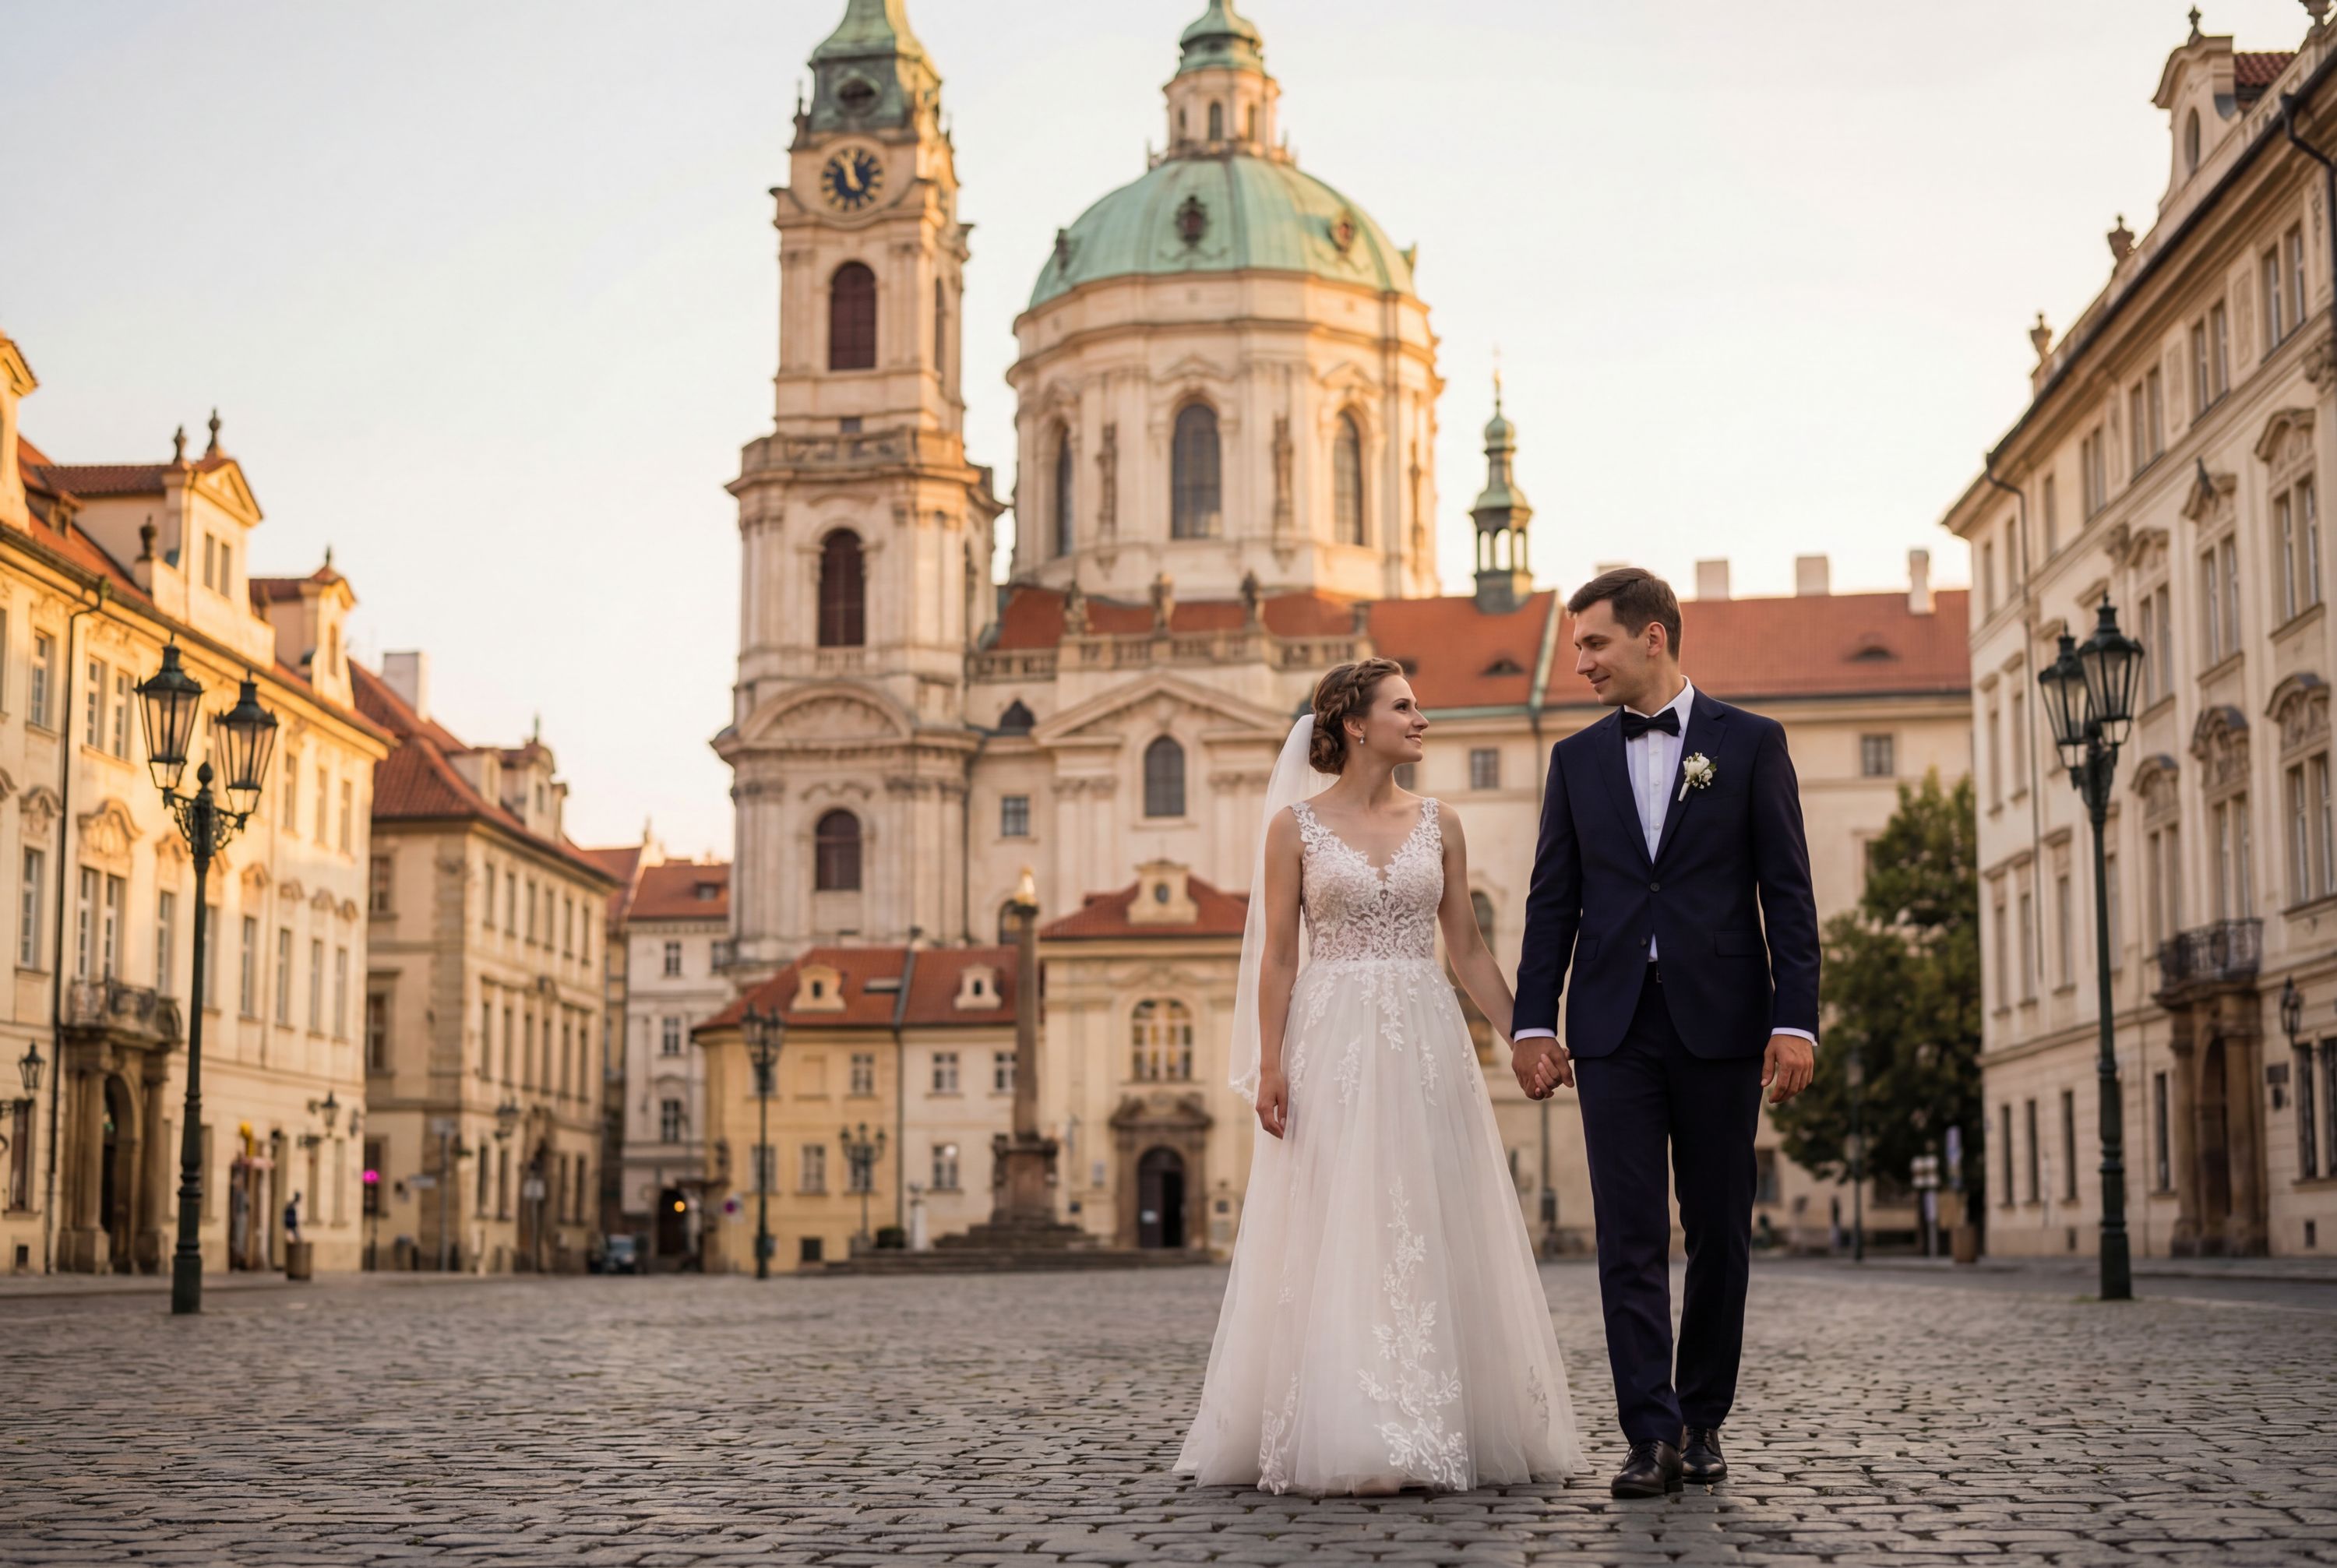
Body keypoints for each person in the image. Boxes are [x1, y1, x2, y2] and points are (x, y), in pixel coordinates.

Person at [1176, 659, 1582, 1496]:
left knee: (1429, 1213)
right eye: (1405, 707)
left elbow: (1466, 948)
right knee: (1342, 1219)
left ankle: (1441, 1414)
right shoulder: (1294, 827)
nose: (1422, 719)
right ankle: (1349, 1419)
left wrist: (1529, 1035)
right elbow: (1279, 959)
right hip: (1332, 1041)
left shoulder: (1443, 822)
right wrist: (1270, 1063)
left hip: (1427, 1035)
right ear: (1357, 725)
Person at [1510, 566, 1820, 1498]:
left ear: (1653, 637)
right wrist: (1534, 1021)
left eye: (1595, 645)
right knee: (1629, 1238)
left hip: (1724, 1023)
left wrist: (1795, 1020)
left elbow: (1790, 896)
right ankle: (1649, 1433)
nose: (1582, 665)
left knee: (1721, 1228)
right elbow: (1551, 900)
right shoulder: (1574, 760)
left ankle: (1703, 1417)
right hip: (1611, 1031)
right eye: (1576, 650)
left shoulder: (1753, 744)